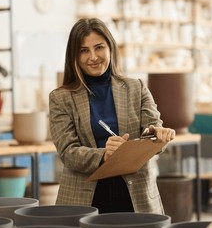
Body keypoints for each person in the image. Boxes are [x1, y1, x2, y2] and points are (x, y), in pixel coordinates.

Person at [49, 18, 176, 214]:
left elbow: (152, 130)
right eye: (83, 51)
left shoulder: (136, 88)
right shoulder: (61, 98)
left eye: (99, 47)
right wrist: (104, 154)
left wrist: (156, 134)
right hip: (84, 199)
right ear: (74, 56)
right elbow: (68, 153)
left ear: (110, 48)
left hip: (136, 197)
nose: (93, 57)